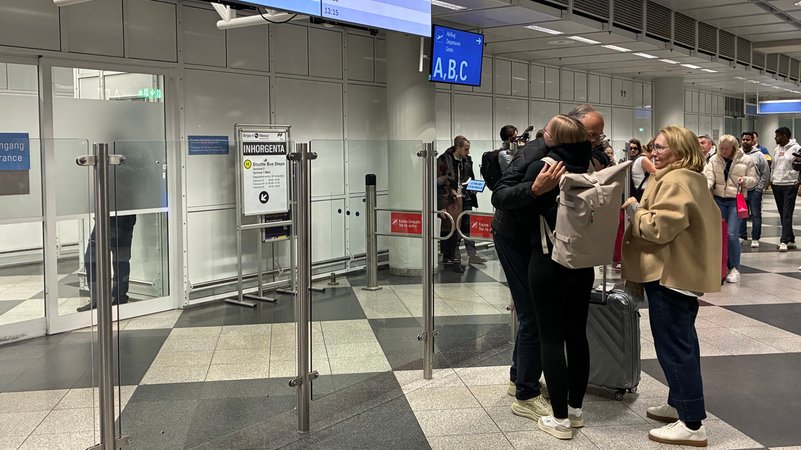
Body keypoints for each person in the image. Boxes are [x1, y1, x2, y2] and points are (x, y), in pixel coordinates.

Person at [491, 104, 607, 422]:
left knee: (548, 323)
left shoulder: (583, 156)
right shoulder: (535, 157)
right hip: (518, 238)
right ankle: (526, 392)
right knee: (533, 317)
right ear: (573, 131)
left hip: (554, 245)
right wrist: (534, 189)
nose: (597, 140)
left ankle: (521, 376)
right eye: (592, 135)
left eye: (599, 136)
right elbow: (500, 196)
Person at [621, 125, 722, 447]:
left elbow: (657, 229)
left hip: (669, 276)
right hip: (675, 274)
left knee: (675, 347)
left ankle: (692, 423)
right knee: (681, 342)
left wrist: (635, 209)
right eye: (654, 146)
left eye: (661, 147)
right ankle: (679, 402)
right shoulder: (686, 178)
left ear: (680, 151)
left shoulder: (676, 181)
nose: (654, 152)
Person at [517, 114, 594, 440]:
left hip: (547, 262)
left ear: (556, 140)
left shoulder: (544, 169)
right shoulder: (588, 169)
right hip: (582, 263)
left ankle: (559, 419)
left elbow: (522, 218)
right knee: (577, 335)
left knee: (551, 337)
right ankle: (575, 410)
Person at [704, 135, 757, 283]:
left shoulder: (746, 160)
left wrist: (745, 181)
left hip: (736, 201)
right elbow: (709, 177)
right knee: (719, 234)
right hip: (718, 200)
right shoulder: (714, 159)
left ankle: (735, 267)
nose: (723, 151)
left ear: (734, 148)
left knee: (732, 234)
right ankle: (721, 265)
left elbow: (754, 180)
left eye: (726, 148)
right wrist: (705, 187)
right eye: (721, 148)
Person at [437, 136, 486, 269]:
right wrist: (443, 203)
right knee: (451, 227)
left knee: (467, 226)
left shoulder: (467, 160)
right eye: (466, 149)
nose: (468, 152)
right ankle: (450, 256)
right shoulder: (443, 160)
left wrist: (474, 188)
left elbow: (470, 177)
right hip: (450, 199)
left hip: (466, 196)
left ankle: (471, 254)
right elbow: (439, 181)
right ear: (457, 147)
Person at [77, 215, 137, 312]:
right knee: (121, 261)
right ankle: (119, 298)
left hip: (109, 220)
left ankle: (98, 300)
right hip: (126, 220)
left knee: (91, 259)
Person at [770, 126, 801, 252]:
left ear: (785, 136)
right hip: (777, 184)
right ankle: (791, 239)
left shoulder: (797, 148)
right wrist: (772, 179)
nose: (775, 138)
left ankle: (783, 241)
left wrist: (798, 181)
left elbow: (799, 166)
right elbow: (773, 165)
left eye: (777, 136)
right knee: (782, 213)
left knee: (787, 213)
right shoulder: (777, 149)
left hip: (790, 184)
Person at [739, 132, 771, 248]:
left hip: (754, 190)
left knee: (756, 214)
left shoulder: (759, 155)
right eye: (743, 140)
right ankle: (741, 236)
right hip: (741, 190)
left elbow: (765, 172)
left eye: (748, 140)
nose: (745, 142)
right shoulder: (737, 154)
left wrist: (759, 188)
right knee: (741, 214)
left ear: (753, 141)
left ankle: (755, 238)